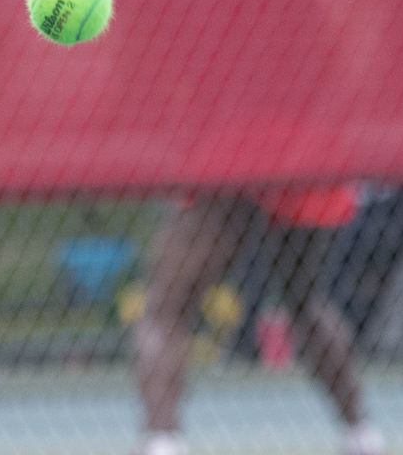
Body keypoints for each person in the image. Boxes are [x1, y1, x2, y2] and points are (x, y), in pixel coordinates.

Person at [133, 186, 383, 455]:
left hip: (233, 172)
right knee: (305, 302)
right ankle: (360, 435)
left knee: (166, 311)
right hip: (300, 177)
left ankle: (162, 443)